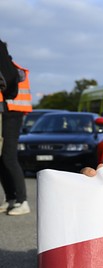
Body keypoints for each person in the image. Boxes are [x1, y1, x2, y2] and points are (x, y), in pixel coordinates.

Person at [0, 39, 32, 216]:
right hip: (8, 110)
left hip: (12, 111)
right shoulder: (9, 66)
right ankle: (11, 198)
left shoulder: (10, 69)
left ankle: (22, 201)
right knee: (2, 157)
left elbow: (11, 87)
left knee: (9, 157)